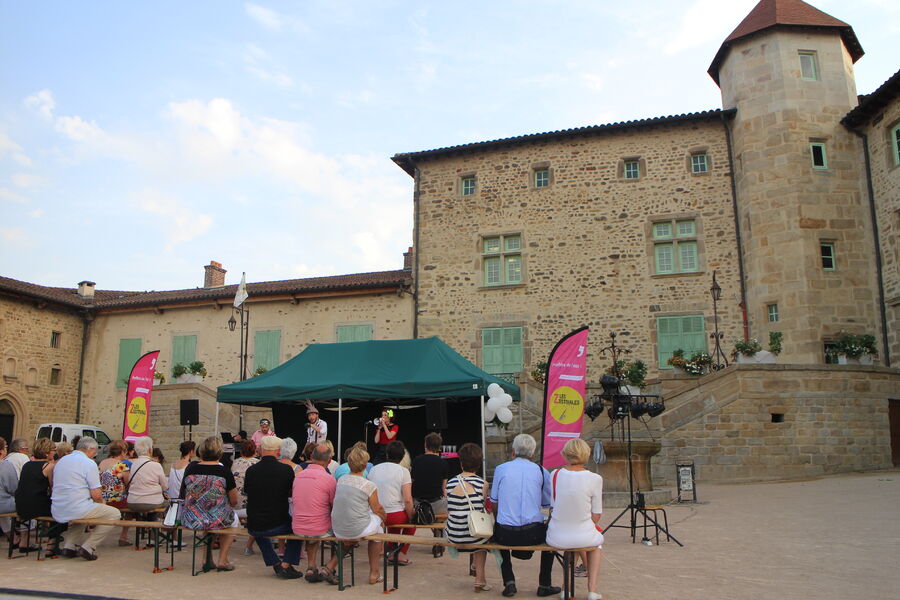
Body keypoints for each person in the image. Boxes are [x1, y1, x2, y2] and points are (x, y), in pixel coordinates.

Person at [490, 434, 560, 598]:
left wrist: (500, 520)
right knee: (552, 535)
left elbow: (494, 502)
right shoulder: (541, 471)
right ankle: (544, 584)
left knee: (497, 530)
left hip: (505, 534)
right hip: (533, 533)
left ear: (513, 451)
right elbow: (548, 504)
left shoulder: (501, 469)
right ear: (532, 454)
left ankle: (509, 582)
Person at [546, 438, 604, 600]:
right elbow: (597, 514)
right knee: (596, 545)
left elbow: (553, 505)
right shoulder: (595, 478)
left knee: (574, 542)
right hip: (582, 533)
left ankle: (566, 588)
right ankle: (592, 590)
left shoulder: (555, 474)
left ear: (565, 454)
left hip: (557, 534)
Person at [50, 437, 121, 560]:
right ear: (90, 449)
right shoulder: (89, 463)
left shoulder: (61, 461)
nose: (95, 455)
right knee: (114, 514)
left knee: (83, 513)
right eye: (95, 452)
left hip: (58, 508)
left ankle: (69, 546)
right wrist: (102, 504)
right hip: (77, 507)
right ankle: (88, 547)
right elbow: (96, 494)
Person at [244, 436, 303, 579]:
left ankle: (275, 563)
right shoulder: (286, 470)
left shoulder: (251, 470)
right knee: (298, 530)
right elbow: (291, 493)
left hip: (254, 522)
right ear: (278, 451)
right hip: (278, 522)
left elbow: (247, 491)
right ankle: (286, 564)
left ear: (262, 450)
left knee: (256, 528)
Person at [180, 436, 239, 571]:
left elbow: (183, 492)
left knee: (209, 516)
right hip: (215, 518)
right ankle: (222, 560)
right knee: (233, 520)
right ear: (219, 452)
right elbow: (234, 500)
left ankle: (206, 559)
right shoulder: (224, 472)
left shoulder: (190, 469)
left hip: (191, 518)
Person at [331, 446, 386, 585]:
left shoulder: (341, 480)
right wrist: (384, 518)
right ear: (365, 464)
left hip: (338, 528)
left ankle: (333, 565)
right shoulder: (368, 485)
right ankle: (374, 572)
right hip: (355, 529)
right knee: (379, 527)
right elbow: (377, 509)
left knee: (367, 519)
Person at [446, 443, 492, 592]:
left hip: (453, 534)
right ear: (479, 464)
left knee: (470, 527)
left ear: (461, 463)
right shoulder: (483, 484)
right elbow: (483, 509)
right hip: (474, 536)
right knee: (482, 536)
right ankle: (480, 579)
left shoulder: (450, 483)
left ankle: (475, 567)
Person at [292, 443, 340, 583]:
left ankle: (311, 566)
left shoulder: (298, 476)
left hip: (298, 526)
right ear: (329, 460)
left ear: (312, 457)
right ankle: (329, 568)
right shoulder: (329, 479)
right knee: (348, 534)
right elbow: (334, 506)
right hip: (319, 528)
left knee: (314, 521)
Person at [367, 440, 415, 566]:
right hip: (393, 515)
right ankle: (401, 553)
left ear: (387, 454)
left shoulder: (374, 469)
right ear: (402, 456)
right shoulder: (404, 471)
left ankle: (392, 549)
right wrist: (411, 515)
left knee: (396, 518)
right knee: (412, 523)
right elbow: (408, 499)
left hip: (375, 514)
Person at [14, 438, 57, 553]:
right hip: (36, 506)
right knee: (60, 511)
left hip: (21, 504)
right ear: (47, 452)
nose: (54, 452)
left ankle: (24, 542)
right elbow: (53, 488)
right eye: (53, 450)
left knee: (30, 505)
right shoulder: (48, 466)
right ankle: (51, 545)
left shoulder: (27, 464)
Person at [98, 439, 132, 545]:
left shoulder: (102, 463)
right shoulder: (121, 465)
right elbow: (128, 482)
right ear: (122, 452)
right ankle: (123, 536)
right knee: (131, 510)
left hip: (102, 498)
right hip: (117, 499)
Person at [126, 436, 169, 515]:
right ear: (150, 450)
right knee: (169, 504)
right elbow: (165, 487)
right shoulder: (156, 465)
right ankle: (159, 522)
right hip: (153, 502)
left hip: (133, 502)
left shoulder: (133, 464)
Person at [231, 440, 258, 556]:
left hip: (234, 506)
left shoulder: (235, 462)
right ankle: (248, 546)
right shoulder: (257, 463)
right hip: (250, 507)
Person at [411, 432, 449, 517]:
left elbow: (412, 482)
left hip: (419, 505)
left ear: (425, 445)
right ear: (439, 447)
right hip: (438, 506)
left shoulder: (416, 461)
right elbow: (443, 489)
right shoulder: (443, 463)